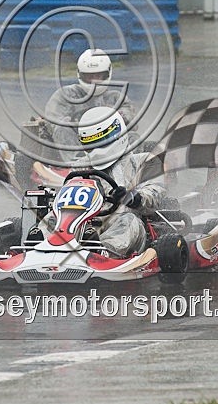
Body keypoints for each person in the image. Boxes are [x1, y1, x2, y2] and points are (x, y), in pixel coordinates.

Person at [29, 106, 165, 257]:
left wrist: (133, 197)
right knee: (53, 217)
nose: (97, 149)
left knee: (129, 221)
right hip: (83, 224)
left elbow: (155, 193)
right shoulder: (80, 166)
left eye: (101, 141)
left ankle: (102, 252)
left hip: (122, 223)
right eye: (91, 143)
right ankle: (37, 248)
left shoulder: (143, 162)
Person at [44, 48, 135, 160]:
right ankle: (77, 163)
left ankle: (130, 165)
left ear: (106, 74)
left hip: (110, 145)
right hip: (77, 144)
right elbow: (53, 121)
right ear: (81, 75)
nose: (94, 80)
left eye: (98, 75)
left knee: (133, 136)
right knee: (62, 128)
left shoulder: (116, 98)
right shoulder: (65, 95)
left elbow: (130, 120)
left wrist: (118, 116)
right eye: (89, 76)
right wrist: (76, 123)